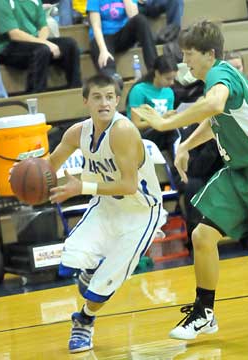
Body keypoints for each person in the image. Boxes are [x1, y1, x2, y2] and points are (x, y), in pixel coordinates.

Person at [133, 20, 248, 340]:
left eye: (189, 54)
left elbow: (213, 105)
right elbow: (215, 119)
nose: (185, 62)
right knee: (202, 237)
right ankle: (204, 312)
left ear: (210, 54)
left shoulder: (220, 75)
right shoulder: (215, 78)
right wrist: (184, 144)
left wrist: (168, 125)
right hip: (238, 173)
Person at [47, 74, 165, 353]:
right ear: (86, 101)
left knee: (104, 284)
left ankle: (84, 320)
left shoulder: (123, 131)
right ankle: (89, 269)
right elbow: (48, 167)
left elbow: (128, 184)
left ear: (117, 100)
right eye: (98, 97)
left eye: (110, 97)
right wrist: (22, 173)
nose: (104, 103)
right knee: (70, 260)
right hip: (106, 205)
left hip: (140, 212)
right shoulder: (77, 132)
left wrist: (81, 187)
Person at [0, 0, 82, 94]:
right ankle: (36, 96)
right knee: (41, 50)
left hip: (34, 42)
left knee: (70, 45)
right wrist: (43, 44)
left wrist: (42, 42)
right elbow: (14, 34)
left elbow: (43, 27)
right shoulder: (0, 2)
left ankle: (75, 90)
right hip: (6, 47)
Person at [127, 54, 178, 161]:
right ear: (157, 73)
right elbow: (136, 124)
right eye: (168, 78)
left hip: (163, 133)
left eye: (173, 79)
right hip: (143, 136)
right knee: (171, 132)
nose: (172, 82)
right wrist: (160, 120)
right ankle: (179, 170)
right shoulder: (139, 90)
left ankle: (181, 167)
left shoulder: (169, 92)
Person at [87, 0, 157, 77]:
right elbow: (96, 27)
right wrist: (103, 50)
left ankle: (154, 69)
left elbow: (133, 16)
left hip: (122, 34)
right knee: (106, 61)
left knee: (141, 20)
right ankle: (113, 79)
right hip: (103, 37)